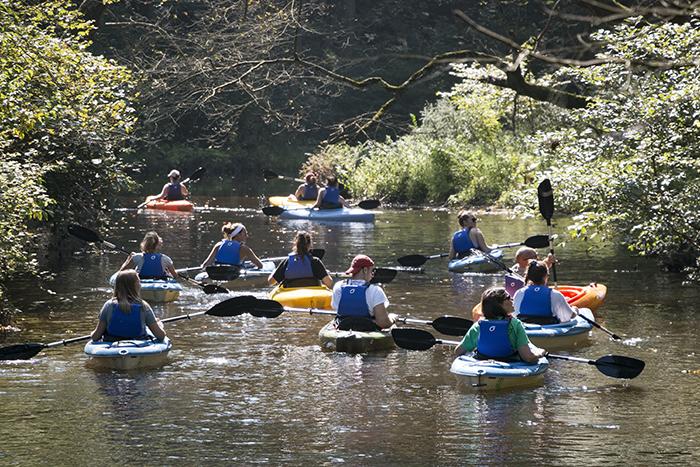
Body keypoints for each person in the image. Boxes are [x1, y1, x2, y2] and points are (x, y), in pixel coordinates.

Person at [455, 287, 546, 363]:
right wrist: (540, 353)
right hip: (509, 362)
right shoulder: (515, 324)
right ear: (501, 305)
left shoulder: (478, 326)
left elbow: (458, 351)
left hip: (483, 363)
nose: (512, 299)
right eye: (509, 297)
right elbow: (528, 357)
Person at [91, 269, 166, 342]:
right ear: (136, 286)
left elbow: (95, 336)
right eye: (139, 281)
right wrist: (159, 325)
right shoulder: (143, 306)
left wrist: (92, 334)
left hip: (112, 342)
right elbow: (161, 336)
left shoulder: (108, 305)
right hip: (138, 343)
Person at [330, 255, 396, 330]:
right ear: (365, 270)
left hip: (343, 327)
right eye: (372, 271)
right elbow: (384, 323)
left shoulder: (338, 286)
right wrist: (392, 318)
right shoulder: (375, 290)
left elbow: (336, 309)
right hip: (368, 329)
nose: (372, 275)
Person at [513, 260, 578, 324]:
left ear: (529, 276)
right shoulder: (555, 294)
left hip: (526, 329)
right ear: (545, 277)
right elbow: (567, 317)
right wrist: (575, 310)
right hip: (549, 329)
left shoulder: (519, 293)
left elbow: (514, 315)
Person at [268, 231, 333, 288]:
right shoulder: (315, 261)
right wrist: (326, 273)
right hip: (312, 298)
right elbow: (329, 283)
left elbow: (271, 282)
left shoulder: (287, 262)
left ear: (295, 244)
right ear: (309, 245)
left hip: (291, 298)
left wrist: (274, 271)